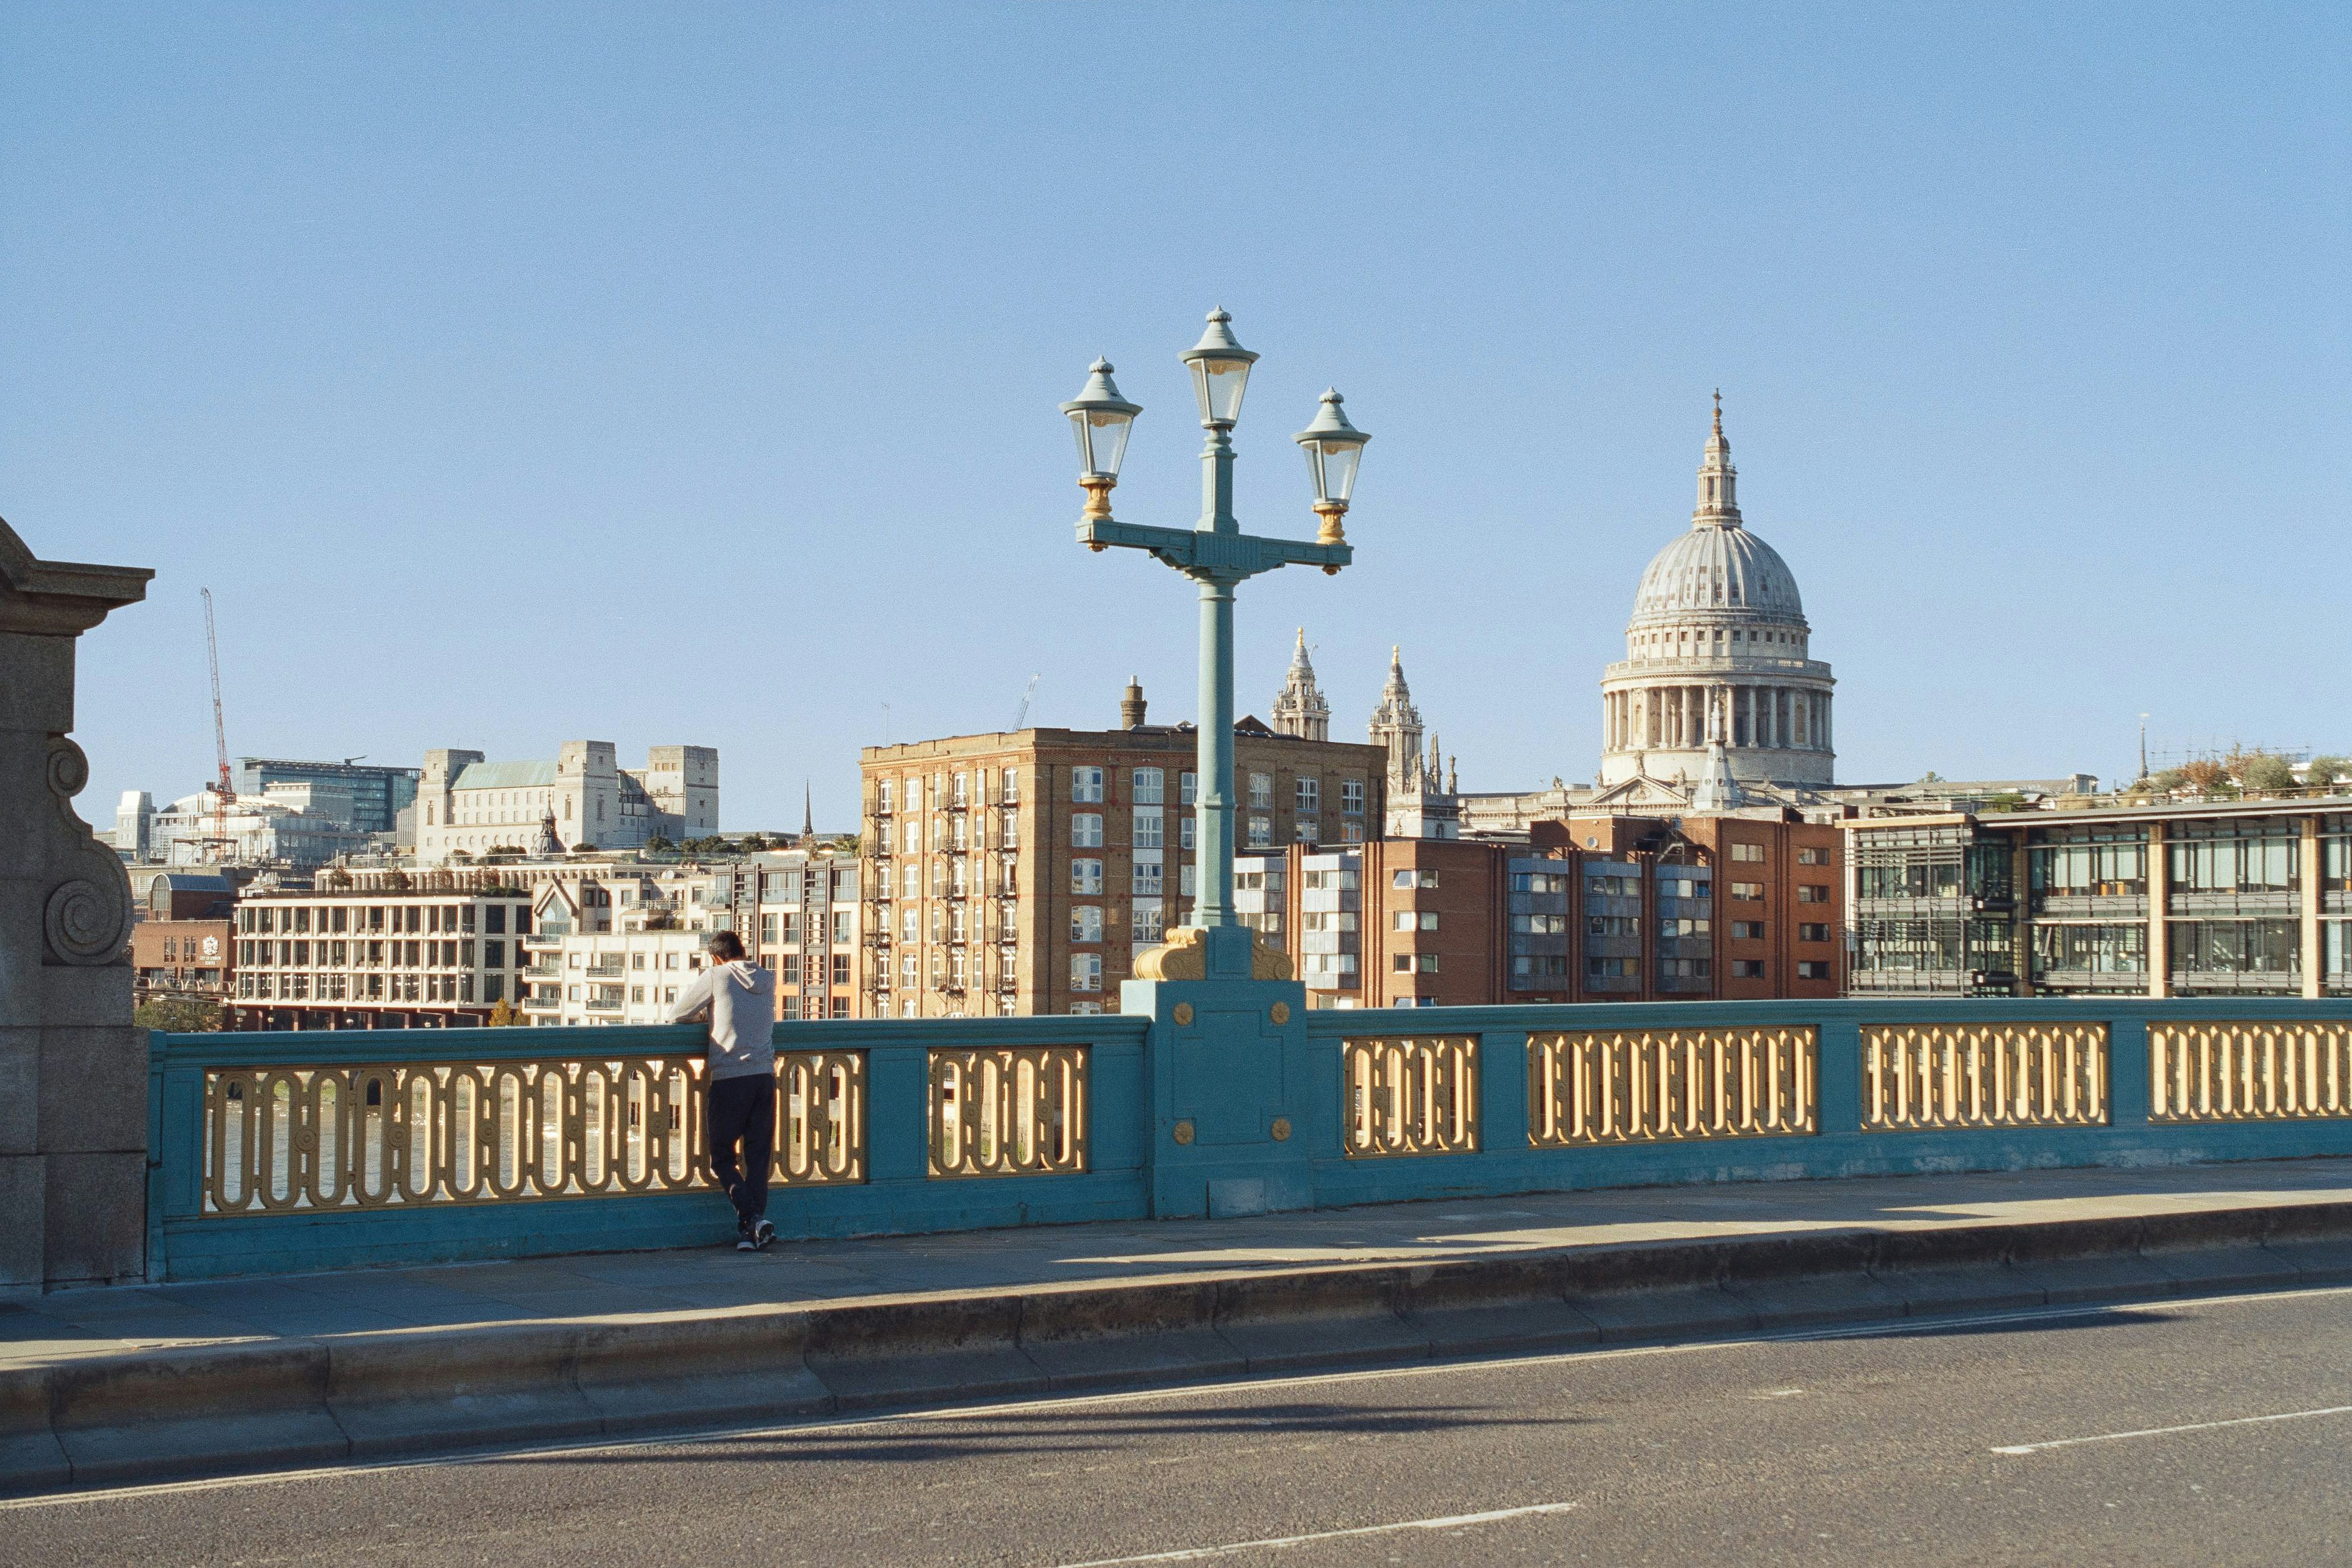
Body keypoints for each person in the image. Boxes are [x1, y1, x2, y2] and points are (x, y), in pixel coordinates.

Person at [667, 930, 779, 1251]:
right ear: (742, 950)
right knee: (757, 1158)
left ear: (716, 957)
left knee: (721, 1158)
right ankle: (752, 1232)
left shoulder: (716, 976)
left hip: (730, 1077)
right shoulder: (767, 978)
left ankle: (752, 1218)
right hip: (764, 1077)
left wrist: (707, 1015)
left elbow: (677, 1015)